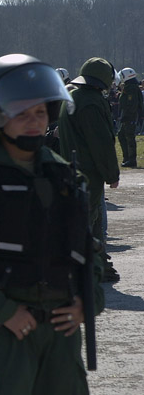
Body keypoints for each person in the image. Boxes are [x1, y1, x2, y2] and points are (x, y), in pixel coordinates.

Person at [0, 53, 104, 394]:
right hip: (5, 335)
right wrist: (3, 310)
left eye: (40, 112)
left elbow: (88, 251)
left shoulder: (63, 175)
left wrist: (87, 303)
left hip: (62, 338)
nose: (33, 121)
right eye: (22, 113)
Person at [58, 58, 121, 283]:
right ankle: (84, 267)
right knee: (86, 220)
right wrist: (112, 174)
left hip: (70, 168)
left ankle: (100, 265)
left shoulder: (71, 96)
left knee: (89, 221)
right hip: (88, 173)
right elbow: (101, 142)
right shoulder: (91, 102)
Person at [117, 67, 143, 167]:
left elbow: (132, 104)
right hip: (129, 116)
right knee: (122, 135)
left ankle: (131, 160)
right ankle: (127, 158)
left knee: (129, 137)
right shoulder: (130, 87)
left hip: (130, 117)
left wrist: (127, 116)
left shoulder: (131, 88)